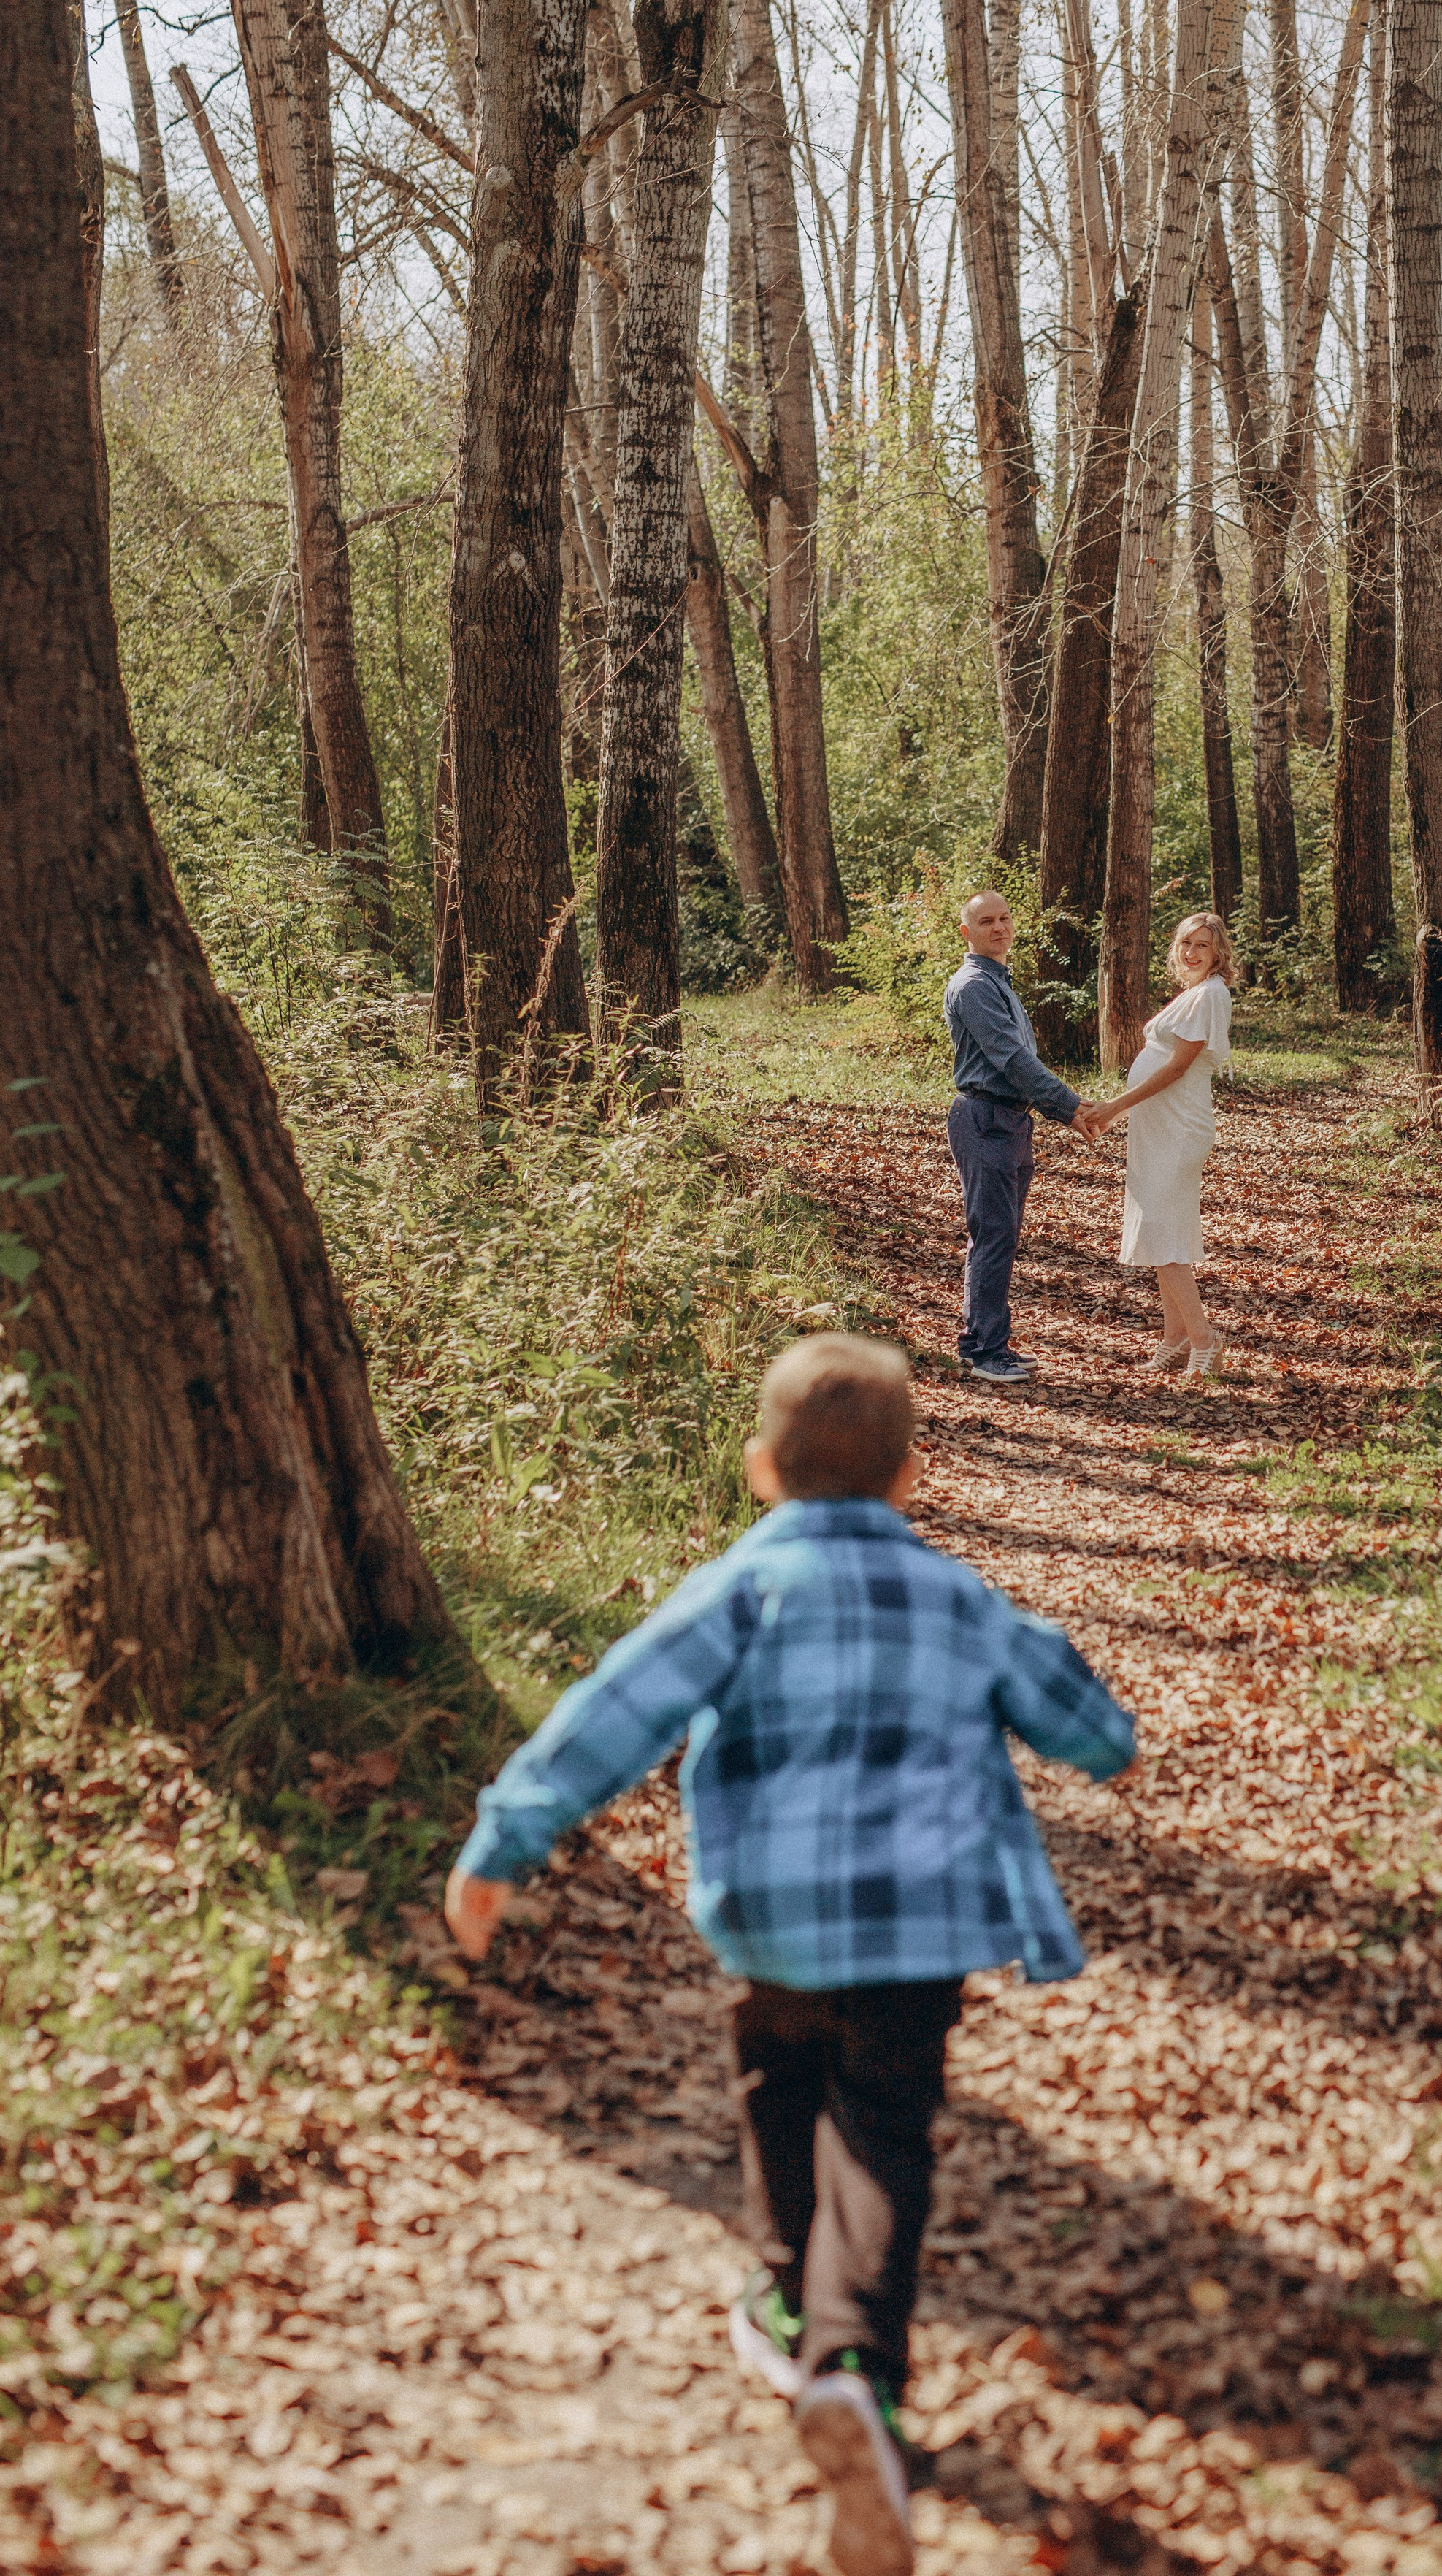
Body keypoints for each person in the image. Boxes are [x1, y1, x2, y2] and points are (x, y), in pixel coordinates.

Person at [443, 1333, 1135, 2576]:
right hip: (919, 1926)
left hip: (774, 1919)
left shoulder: (738, 1589)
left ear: (762, 1469)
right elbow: (1087, 1723)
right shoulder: (957, 1598)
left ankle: (783, 2292)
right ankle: (854, 2363)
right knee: (884, 2123)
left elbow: (616, 1708)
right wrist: (1103, 1740)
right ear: (909, 1477)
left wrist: (503, 1843)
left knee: (780, 2077)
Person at [942, 889, 1097, 1384]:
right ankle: (984, 1352)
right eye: (986, 921)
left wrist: (1058, 1108)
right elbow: (1010, 1059)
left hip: (1011, 1120)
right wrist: (1071, 1108)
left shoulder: (999, 981)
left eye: (1005, 918)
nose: (999, 927)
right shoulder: (974, 985)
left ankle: (987, 1341)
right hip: (985, 1118)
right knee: (993, 1235)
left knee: (1000, 1236)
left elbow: (1018, 1064)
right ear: (967, 933)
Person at [1081, 911, 1235, 1378]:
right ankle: (1176, 1337)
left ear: (1218, 955)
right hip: (1157, 1127)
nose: (1191, 952)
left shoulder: (1211, 993)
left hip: (1179, 1127)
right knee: (1161, 1229)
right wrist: (1118, 1112)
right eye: (1186, 942)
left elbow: (1175, 1069)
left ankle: (1205, 1339)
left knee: (1163, 1232)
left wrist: (1113, 1107)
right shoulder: (1192, 994)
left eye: (1203, 946)